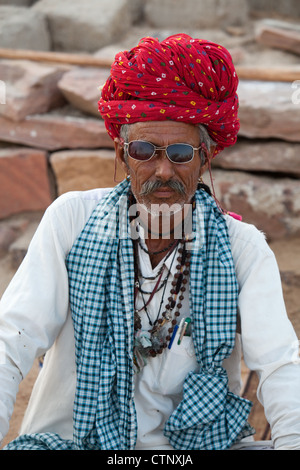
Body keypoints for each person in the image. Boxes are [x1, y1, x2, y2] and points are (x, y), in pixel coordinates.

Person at [0, 33, 300, 451]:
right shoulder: (71, 220)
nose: (162, 170)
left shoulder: (242, 249)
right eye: (144, 150)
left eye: (179, 153)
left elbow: (280, 364)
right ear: (122, 153)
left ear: (204, 158)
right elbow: (11, 338)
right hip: (74, 440)